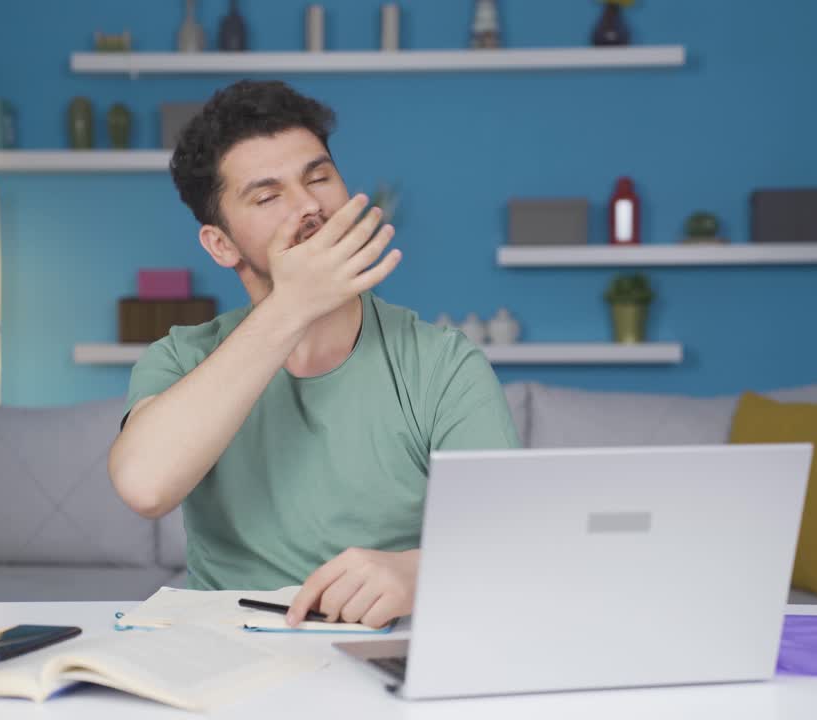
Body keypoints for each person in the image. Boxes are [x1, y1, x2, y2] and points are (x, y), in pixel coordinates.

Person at [108, 80, 519, 629]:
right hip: (225, 647)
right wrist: (292, 306)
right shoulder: (182, 358)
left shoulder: (442, 364)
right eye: (267, 196)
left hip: (385, 640)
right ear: (221, 245)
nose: (308, 206)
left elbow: (511, 544)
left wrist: (419, 574)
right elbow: (145, 486)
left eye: (319, 177)